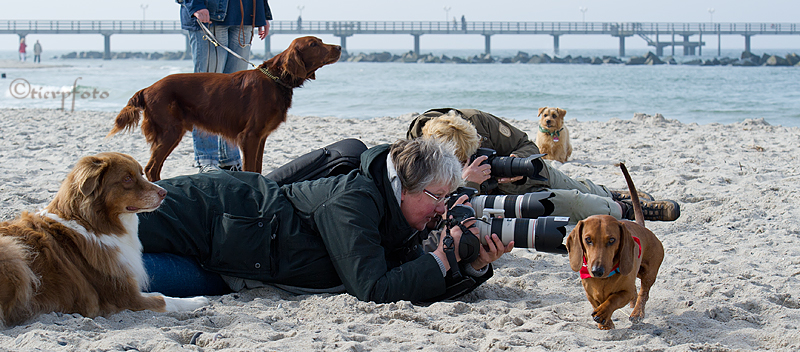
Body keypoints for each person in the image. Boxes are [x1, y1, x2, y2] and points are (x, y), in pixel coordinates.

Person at [138, 138, 512, 304]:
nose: (441, 208)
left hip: (226, 263)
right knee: (94, 228)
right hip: (207, 211)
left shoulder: (394, 217)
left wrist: (472, 265)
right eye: (436, 197)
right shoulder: (355, 201)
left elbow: (406, 278)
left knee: (114, 274)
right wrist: (441, 260)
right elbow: (374, 289)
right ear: (404, 187)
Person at [407, 108, 680, 223]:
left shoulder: (477, 121)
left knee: (574, 185)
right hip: (502, 201)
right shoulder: (418, 160)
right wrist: (469, 180)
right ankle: (632, 210)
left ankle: (612, 194)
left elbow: (527, 144)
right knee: (574, 202)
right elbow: (439, 208)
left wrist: (515, 162)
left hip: (527, 174)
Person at [177, 0, 272, 172]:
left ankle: (229, 158)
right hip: (210, 14)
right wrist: (195, 5)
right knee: (207, 94)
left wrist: (262, 13)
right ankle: (207, 159)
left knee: (236, 95)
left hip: (245, 15)